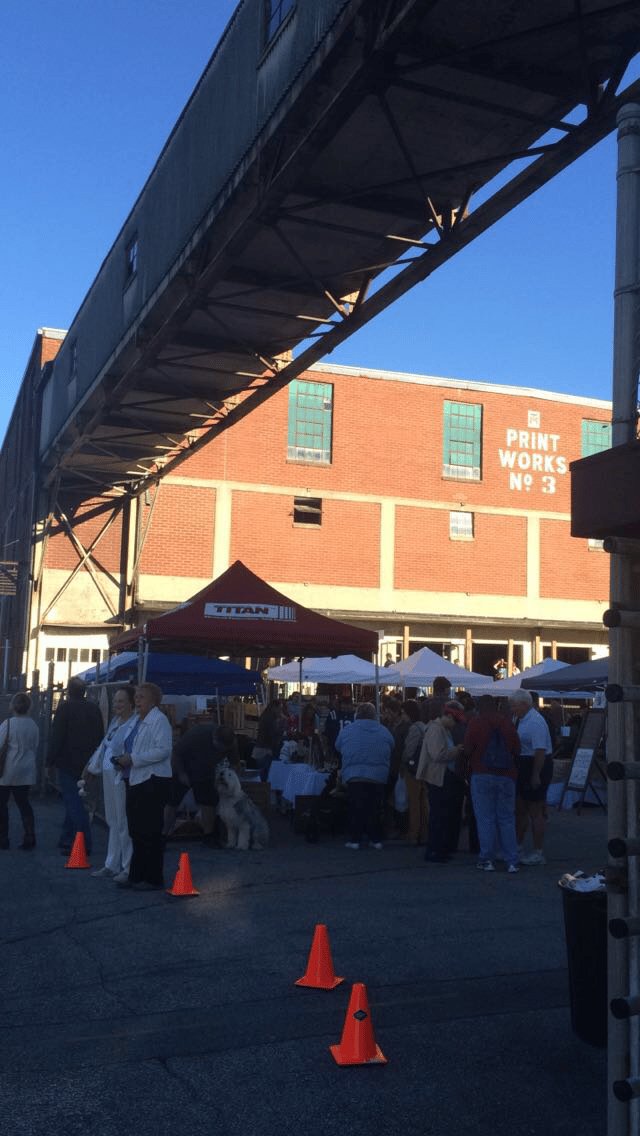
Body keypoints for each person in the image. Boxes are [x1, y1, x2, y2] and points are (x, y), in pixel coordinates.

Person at [113, 683, 173, 890]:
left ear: (153, 700)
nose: (137, 701)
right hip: (136, 778)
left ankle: (153, 877)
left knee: (150, 830)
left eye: (142, 698)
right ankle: (136, 874)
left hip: (153, 780)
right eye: (136, 697)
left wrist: (134, 759)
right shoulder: (137, 721)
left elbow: (163, 750)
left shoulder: (159, 720)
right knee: (136, 829)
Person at [462, 695, 520, 872]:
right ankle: (511, 860)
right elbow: (517, 749)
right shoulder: (508, 723)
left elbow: (467, 748)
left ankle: (487, 858)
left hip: (482, 773)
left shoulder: (475, 723)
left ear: (479, 707)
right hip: (506, 775)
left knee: (485, 818)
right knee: (507, 818)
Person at [47, 676, 104, 854]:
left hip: (67, 761)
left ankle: (82, 843)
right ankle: (67, 837)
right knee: (76, 800)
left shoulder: (65, 709)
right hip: (88, 763)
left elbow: (57, 737)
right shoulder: (94, 709)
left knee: (73, 802)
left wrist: (49, 761)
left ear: (69, 691)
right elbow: (100, 737)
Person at [84, 686, 137, 881]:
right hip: (108, 773)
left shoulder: (135, 724)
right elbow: (103, 746)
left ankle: (128, 867)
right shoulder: (115, 723)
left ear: (132, 703)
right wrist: (91, 767)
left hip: (121, 776)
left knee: (123, 821)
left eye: (121, 701)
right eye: (115, 701)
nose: (117, 705)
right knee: (112, 820)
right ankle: (111, 864)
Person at [335, 702, 393, 850]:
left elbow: (337, 746)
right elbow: (392, 745)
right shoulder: (383, 731)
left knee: (356, 807)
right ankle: (375, 839)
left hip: (354, 775)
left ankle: (355, 839)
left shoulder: (347, 730)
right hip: (378, 776)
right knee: (374, 807)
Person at [509, 689, 553, 866]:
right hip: (523, 763)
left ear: (524, 704)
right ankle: (517, 847)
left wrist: (536, 774)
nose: (512, 708)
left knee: (535, 810)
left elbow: (540, 751)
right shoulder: (518, 719)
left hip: (536, 764)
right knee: (520, 809)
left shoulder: (535, 721)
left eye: (514, 705)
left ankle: (538, 852)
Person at [416, 702, 465, 863]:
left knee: (442, 816)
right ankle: (434, 851)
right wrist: (456, 751)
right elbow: (437, 754)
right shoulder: (436, 729)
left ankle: (440, 849)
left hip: (443, 776)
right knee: (438, 816)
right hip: (437, 777)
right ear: (449, 716)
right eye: (455, 721)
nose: (456, 725)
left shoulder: (443, 729)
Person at [0, 692, 40, 850]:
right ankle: (29, 837)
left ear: (13, 706)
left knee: (2, 805)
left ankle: (3, 838)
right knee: (24, 804)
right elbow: (35, 746)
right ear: (29, 707)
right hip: (26, 770)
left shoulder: (7, 724)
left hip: (8, 770)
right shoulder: (33, 725)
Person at [400, 700, 427, 845]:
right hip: (423, 768)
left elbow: (409, 751)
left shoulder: (414, 729)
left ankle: (414, 833)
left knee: (414, 802)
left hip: (413, 769)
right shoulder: (424, 726)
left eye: (403, 713)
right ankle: (423, 832)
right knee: (423, 801)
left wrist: (403, 759)